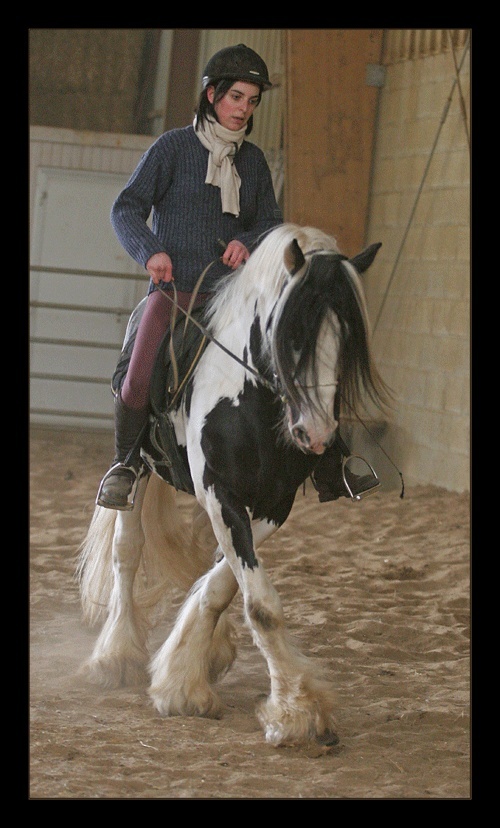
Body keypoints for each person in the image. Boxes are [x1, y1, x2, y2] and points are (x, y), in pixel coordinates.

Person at [96, 43, 377, 511]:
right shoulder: (171, 149)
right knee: (139, 376)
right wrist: (150, 252)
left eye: (251, 101)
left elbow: (270, 220)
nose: (243, 109)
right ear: (212, 96)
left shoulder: (253, 162)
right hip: (178, 291)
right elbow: (124, 208)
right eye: (236, 98)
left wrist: (248, 240)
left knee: (309, 349)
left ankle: (333, 462)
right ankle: (125, 464)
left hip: (237, 294)